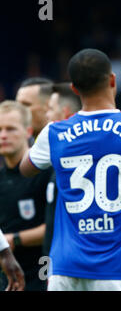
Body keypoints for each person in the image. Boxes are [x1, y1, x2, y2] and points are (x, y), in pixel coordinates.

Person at [20, 48, 121, 291]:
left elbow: (26, 168)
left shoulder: (54, 133)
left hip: (64, 271)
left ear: (75, 89)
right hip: (116, 271)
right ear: (113, 81)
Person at [0, 101, 52, 291]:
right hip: (7, 276)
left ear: (28, 131)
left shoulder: (45, 174)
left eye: (11, 129)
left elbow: (54, 226)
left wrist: (15, 238)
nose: (3, 135)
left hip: (42, 273)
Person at [42, 83, 82, 257]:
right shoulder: (51, 157)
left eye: (50, 109)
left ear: (65, 113)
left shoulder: (70, 162)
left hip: (70, 262)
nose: (47, 115)